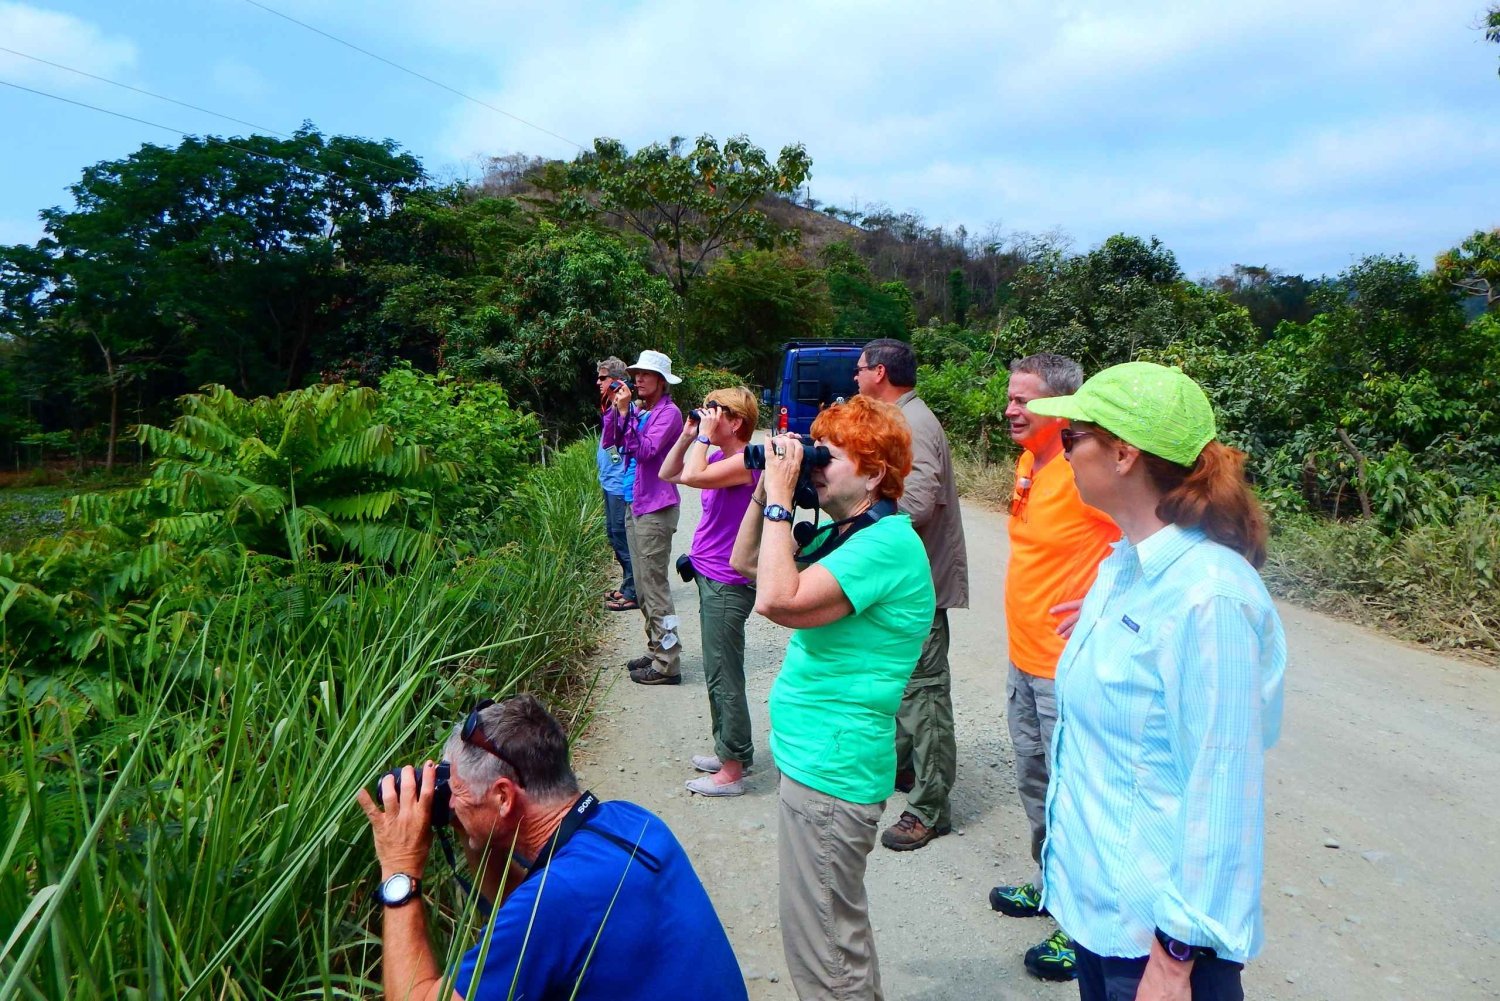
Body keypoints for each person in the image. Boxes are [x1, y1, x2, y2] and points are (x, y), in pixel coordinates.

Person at [1026, 362, 1287, 1001]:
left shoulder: (1209, 597)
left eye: (1071, 439)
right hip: (1102, 920)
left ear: (1122, 454)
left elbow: (1223, 782)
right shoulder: (1123, 567)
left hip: (1156, 950)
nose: (1063, 456)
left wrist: (1176, 958)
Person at [730, 396, 936, 1001]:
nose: (814, 467)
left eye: (828, 458)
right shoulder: (847, 535)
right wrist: (766, 487)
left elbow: (776, 601)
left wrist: (778, 496)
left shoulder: (887, 545)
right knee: (825, 937)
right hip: (816, 761)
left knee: (826, 955)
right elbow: (746, 564)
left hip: (833, 771)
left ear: (874, 474)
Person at [355, 693, 748, 1001]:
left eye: (456, 791)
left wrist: (400, 869)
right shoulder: (632, 820)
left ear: (504, 797)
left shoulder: (554, 904)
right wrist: (476, 831)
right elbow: (522, 909)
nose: (452, 803)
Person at [988, 353, 1121, 983]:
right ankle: (1051, 887)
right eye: (1011, 399)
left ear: (1060, 408)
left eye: (1025, 400)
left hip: (1068, 667)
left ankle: (1081, 925)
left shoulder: (1082, 471)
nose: (1012, 409)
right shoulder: (1027, 463)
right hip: (1024, 657)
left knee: (1075, 796)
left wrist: (1105, 600)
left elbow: (1148, 540)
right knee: (1036, 784)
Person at [853, 338, 968, 852]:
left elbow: (917, 501)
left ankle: (930, 807)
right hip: (902, 582)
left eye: (859, 369)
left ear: (879, 372)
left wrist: (859, 520)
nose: (855, 377)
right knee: (904, 686)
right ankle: (907, 773)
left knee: (923, 693)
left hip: (915, 587)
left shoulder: (913, 423)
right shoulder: (901, 417)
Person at [659, 386, 761, 797]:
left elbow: (694, 475)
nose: (707, 414)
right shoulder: (719, 456)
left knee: (723, 673)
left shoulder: (745, 463)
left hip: (727, 582)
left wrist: (701, 437)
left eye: (714, 410)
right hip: (709, 574)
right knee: (717, 670)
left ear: (735, 421)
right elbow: (670, 473)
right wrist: (688, 434)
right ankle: (730, 749)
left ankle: (732, 770)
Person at [603, 350, 685, 685]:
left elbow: (647, 451)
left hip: (655, 507)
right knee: (641, 586)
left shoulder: (669, 414)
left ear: (662, 381)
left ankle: (668, 662)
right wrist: (615, 410)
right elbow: (612, 442)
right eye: (636, 374)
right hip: (634, 503)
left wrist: (627, 413)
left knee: (656, 589)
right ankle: (655, 649)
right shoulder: (641, 410)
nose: (637, 379)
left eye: (645, 375)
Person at [595, 357, 637, 612]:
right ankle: (626, 585)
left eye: (603, 378)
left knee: (622, 537)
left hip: (620, 485)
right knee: (614, 535)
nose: (598, 382)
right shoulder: (609, 407)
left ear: (617, 381)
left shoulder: (626, 409)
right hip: (609, 483)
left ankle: (633, 591)